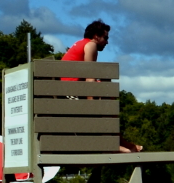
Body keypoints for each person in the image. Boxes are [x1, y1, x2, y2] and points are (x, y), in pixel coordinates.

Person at [59, 19, 141, 152]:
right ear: (96, 36)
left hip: (66, 92)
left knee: (106, 93)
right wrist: (92, 106)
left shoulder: (80, 44)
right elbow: (90, 79)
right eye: (105, 38)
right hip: (71, 94)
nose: (107, 42)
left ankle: (118, 142)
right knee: (106, 94)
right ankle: (116, 143)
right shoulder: (91, 45)